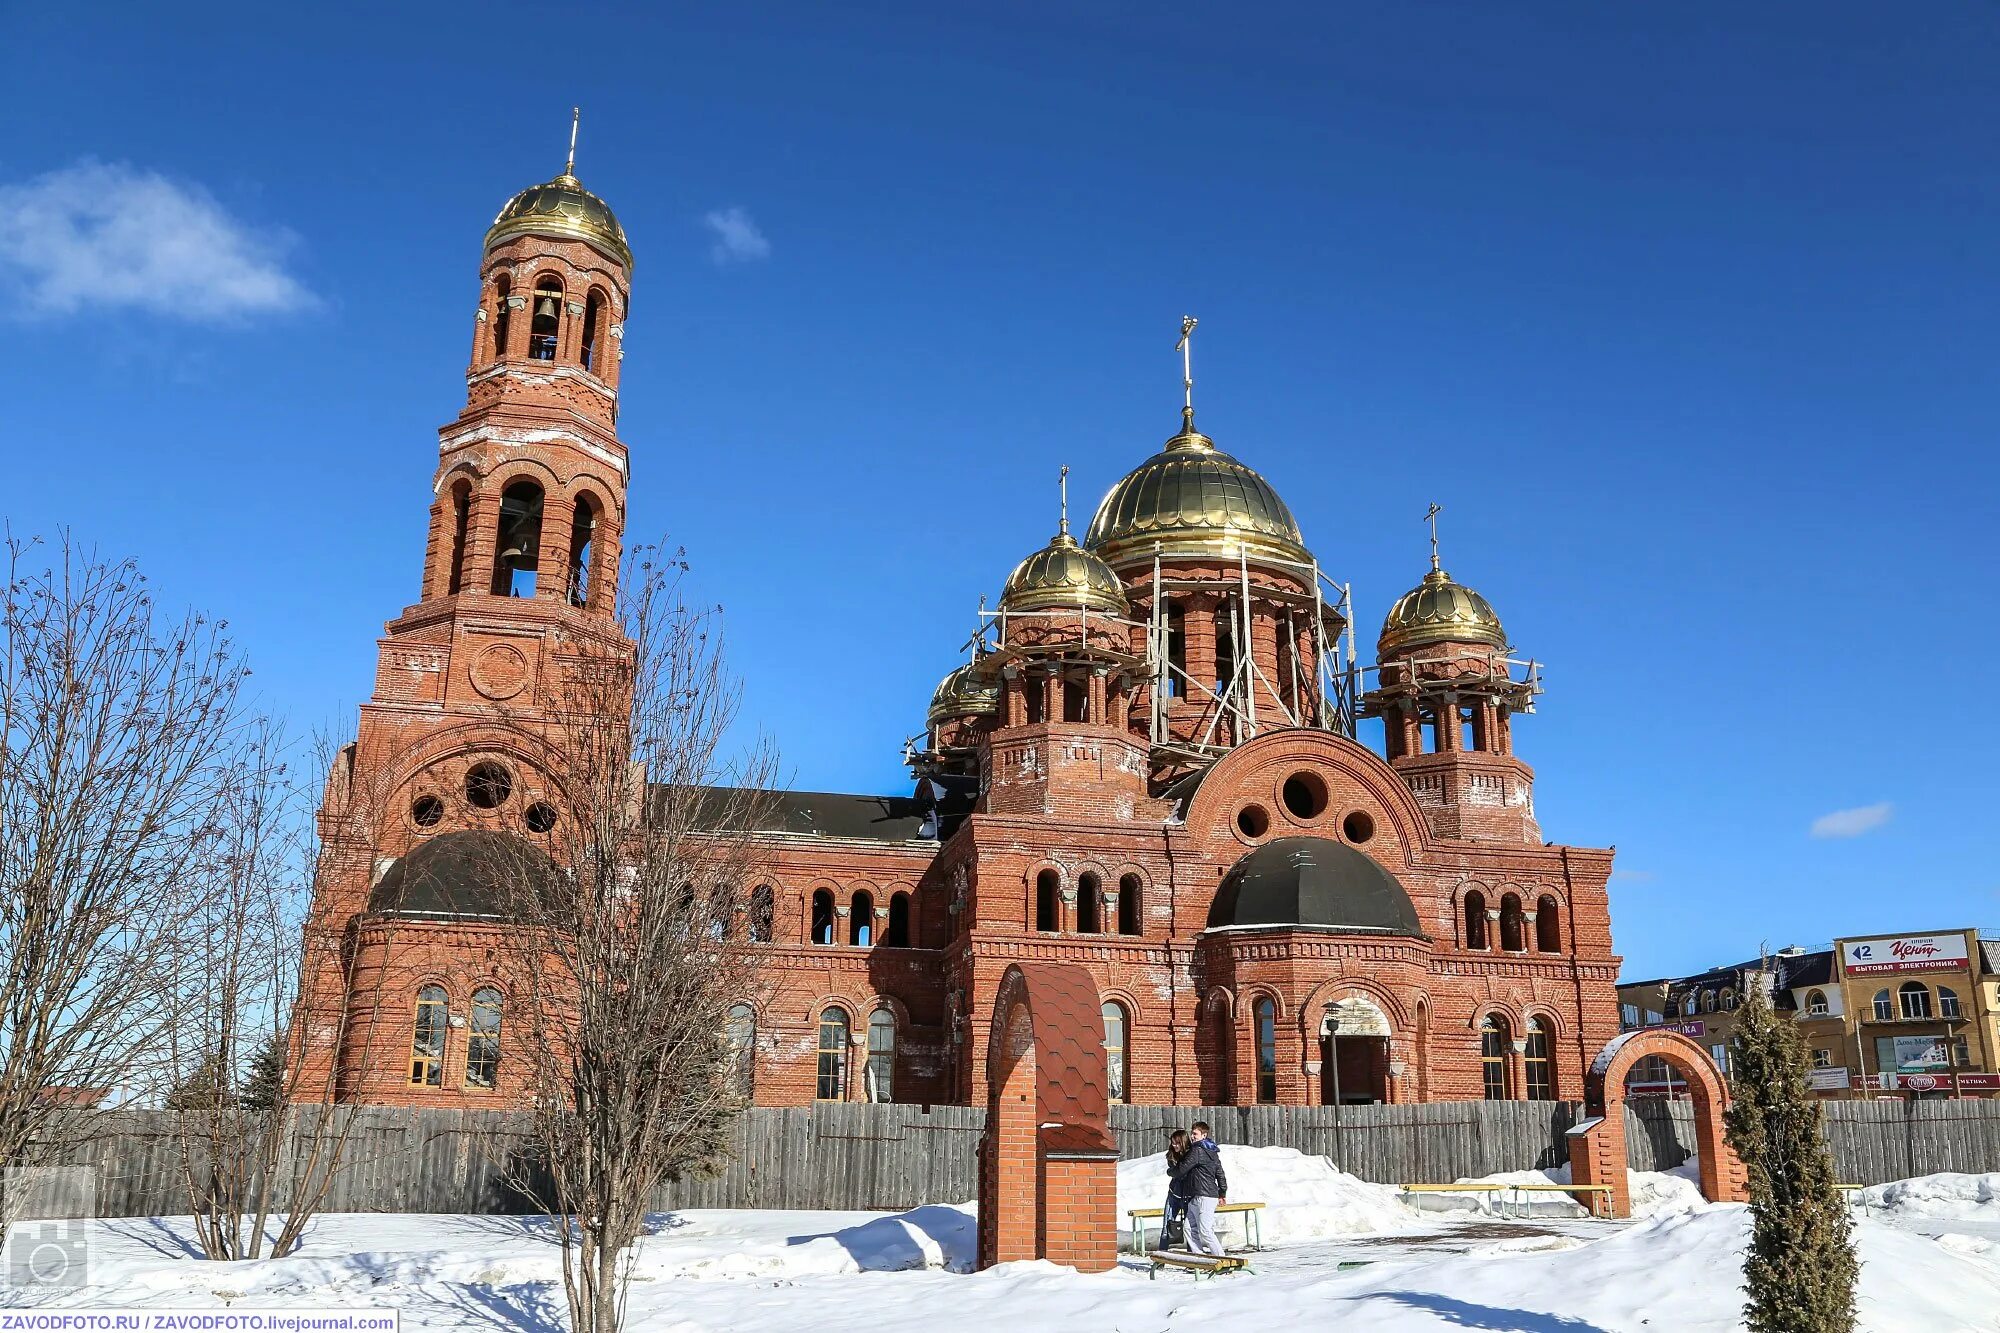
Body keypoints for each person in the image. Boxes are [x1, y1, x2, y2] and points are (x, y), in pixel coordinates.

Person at [1170, 1119, 1229, 1257]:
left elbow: (1181, 1169)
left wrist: (1170, 1171)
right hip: (1197, 1196)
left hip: (1204, 1196)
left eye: (1195, 1134)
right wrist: (1222, 1192)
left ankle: (1221, 1259)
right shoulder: (1212, 1151)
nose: (1192, 1136)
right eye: (1192, 1133)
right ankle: (1199, 1258)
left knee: (1205, 1230)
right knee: (1189, 1229)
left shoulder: (1197, 1150)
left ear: (1204, 1135)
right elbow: (1220, 1174)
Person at [1161, 1129, 1191, 1250]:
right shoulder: (1172, 1155)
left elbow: (1182, 1172)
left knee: (1190, 1228)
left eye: (1177, 1143)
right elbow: (1177, 1172)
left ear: (1183, 1142)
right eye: (1173, 1142)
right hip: (1174, 1194)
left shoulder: (1191, 1154)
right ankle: (1161, 1256)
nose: (1174, 1145)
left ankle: (1192, 1259)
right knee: (1166, 1227)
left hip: (1189, 1196)